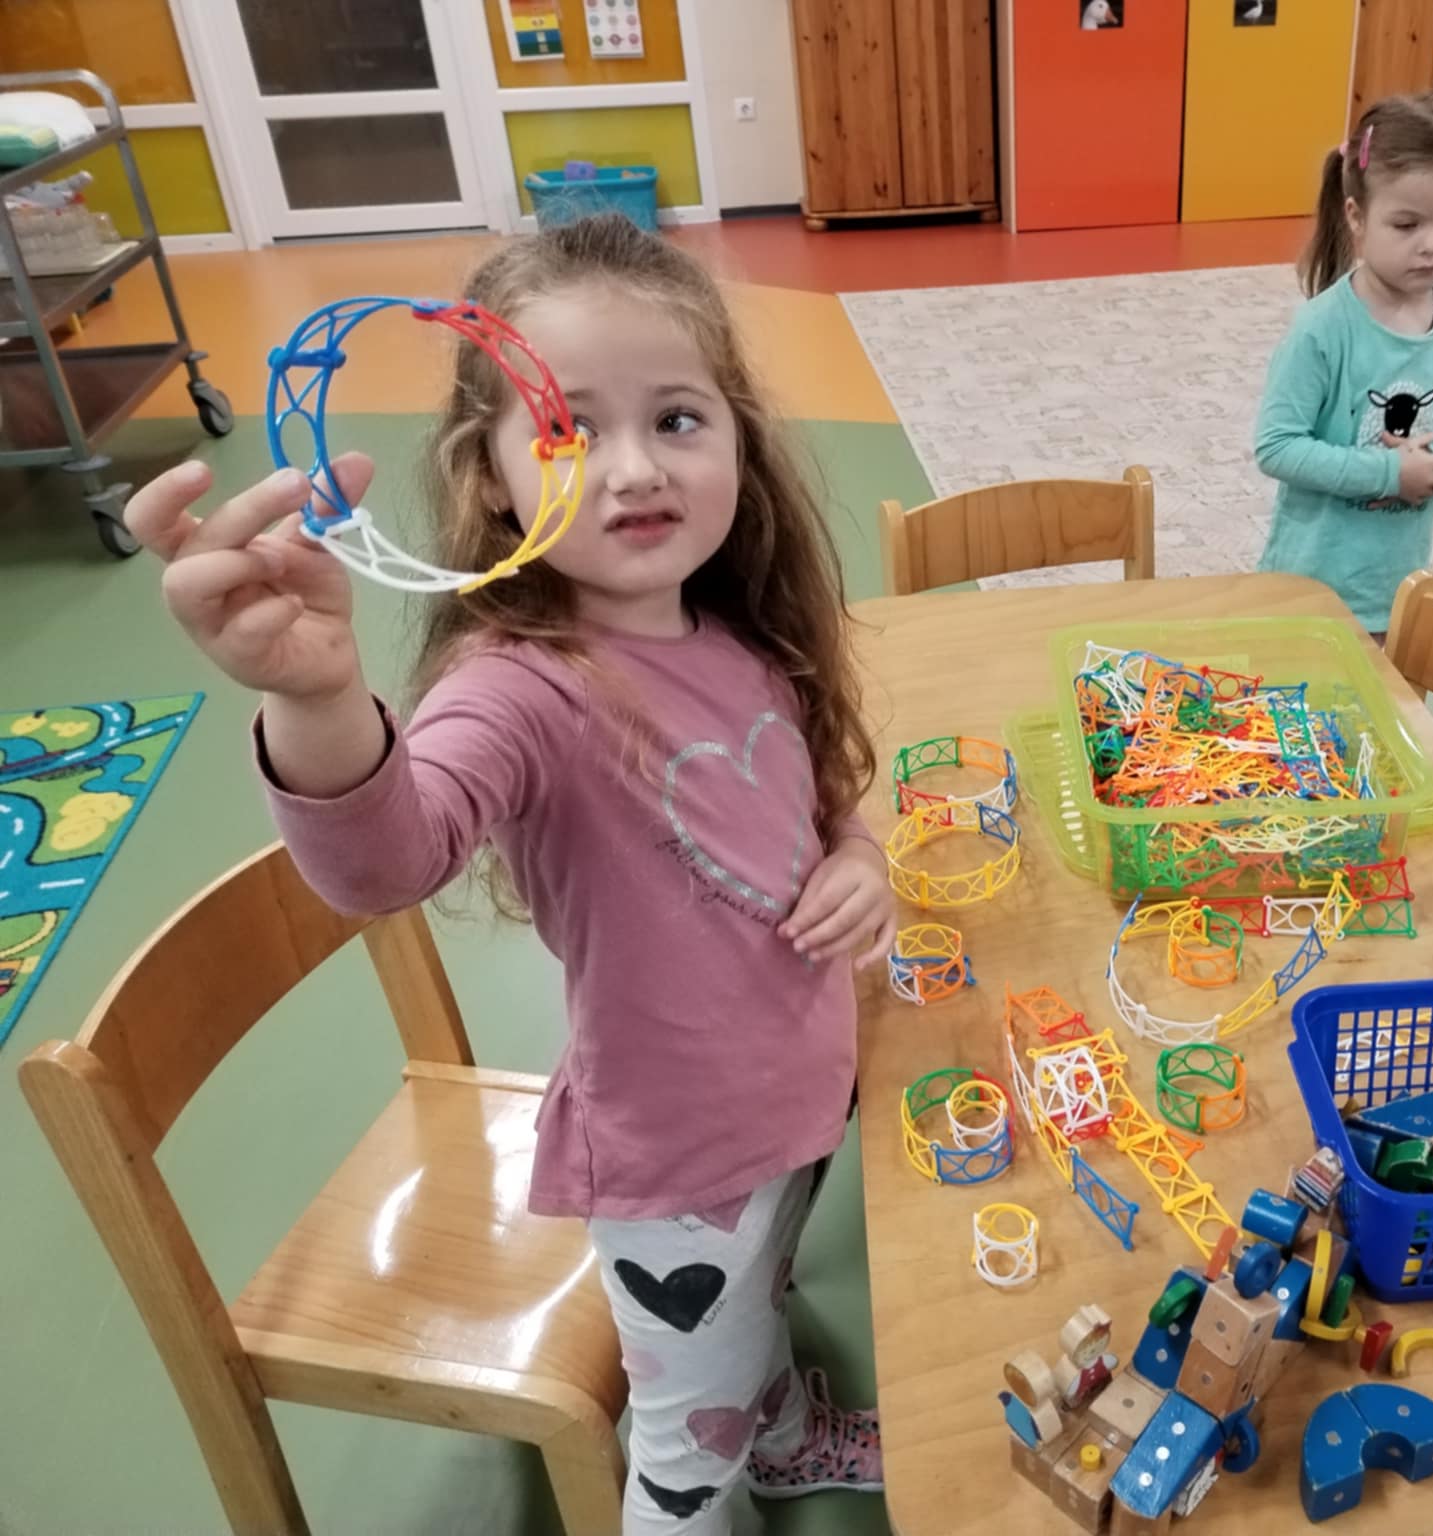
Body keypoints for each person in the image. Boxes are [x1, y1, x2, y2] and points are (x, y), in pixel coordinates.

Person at [126, 215, 891, 1535]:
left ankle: (777, 1435)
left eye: (677, 418)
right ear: (488, 476)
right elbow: (389, 860)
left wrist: (862, 856)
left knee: (756, 1314)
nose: (633, 467)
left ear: (739, 437)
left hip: (798, 1100)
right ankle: (735, 1453)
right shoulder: (522, 689)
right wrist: (318, 698)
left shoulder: (740, 628)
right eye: (566, 429)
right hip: (677, 1170)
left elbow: (815, 794)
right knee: (684, 1449)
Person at [1254, 93, 1433, 637]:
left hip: (1397, 594)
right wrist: (1389, 474)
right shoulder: (1323, 328)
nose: (1432, 245)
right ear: (1357, 216)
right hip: (1306, 594)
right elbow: (1277, 446)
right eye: (1406, 225)